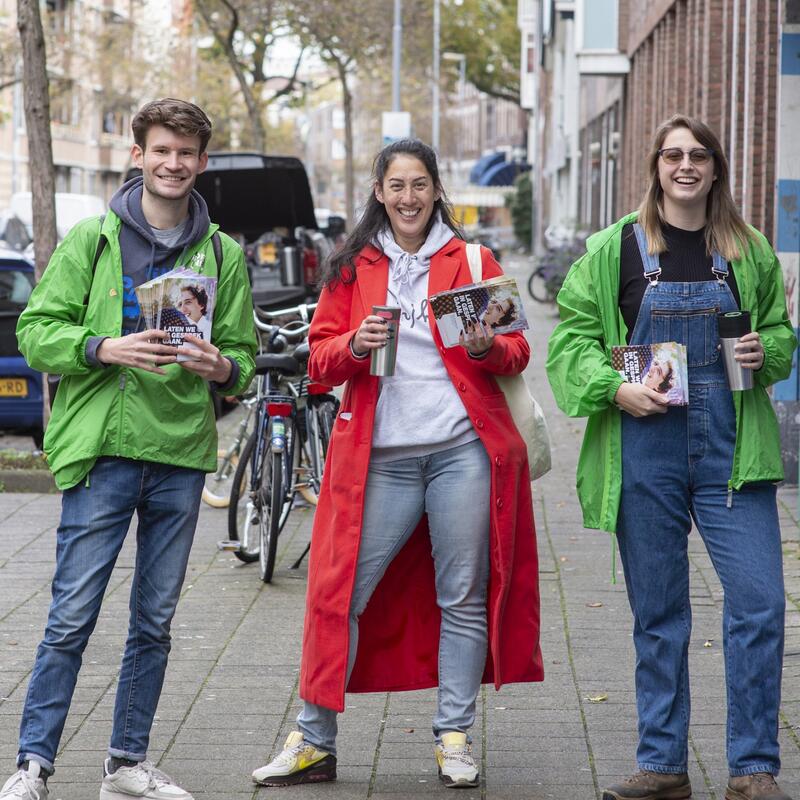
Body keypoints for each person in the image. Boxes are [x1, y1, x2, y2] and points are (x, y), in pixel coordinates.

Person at [251, 138, 543, 789]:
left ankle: (454, 737)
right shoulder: (353, 266)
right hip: (378, 461)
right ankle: (315, 739)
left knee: (462, 596)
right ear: (379, 193)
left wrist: (487, 344)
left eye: (420, 184)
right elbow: (321, 363)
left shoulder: (471, 259)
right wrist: (355, 343)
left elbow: (519, 351)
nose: (408, 197)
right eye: (396, 186)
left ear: (437, 189)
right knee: (338, 594)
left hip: (461, 454)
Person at [4, 98, 256, 800]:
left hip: (179, 455)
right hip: (104, 451)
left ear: (202, 162)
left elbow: (243, 353)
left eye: (187, 152)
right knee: (70, 615)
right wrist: (101, 346)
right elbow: (36, 331)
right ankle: (33, 763)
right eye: (162, 150)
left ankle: (125, 764)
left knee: (154, 619)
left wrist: (221, 368)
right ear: (139, 156)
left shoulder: (223, 255)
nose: (174, 163)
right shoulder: (92, 240)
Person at [546, 114, 796, 800]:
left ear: (716, 169)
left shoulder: (749, 252)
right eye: (673, 155)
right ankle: (663, 765)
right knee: (660, 613)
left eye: (698, 155)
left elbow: (778, 335)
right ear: (655, 166)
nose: (685, 166)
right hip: (643, 448)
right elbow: (568, 347)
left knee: (759, 605)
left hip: (732, 450)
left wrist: (763, 352)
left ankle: (752, 769)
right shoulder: (612, 251)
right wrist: (615, 389)